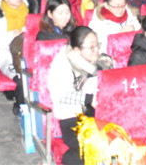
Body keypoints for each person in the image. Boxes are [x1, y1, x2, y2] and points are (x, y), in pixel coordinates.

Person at [47, 26, 111, 165]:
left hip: (95, 115)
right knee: (91, 149)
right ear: (77, 50)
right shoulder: (61, 64)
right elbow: (62, 95)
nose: (96, 50)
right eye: (91, 47)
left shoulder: (97, 60)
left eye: (97, 45)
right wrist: (89, 99)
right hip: (73, 120)